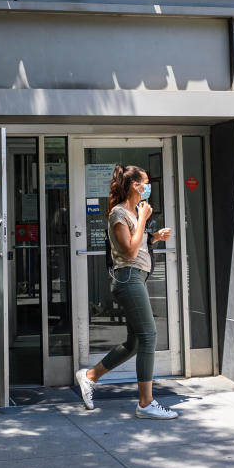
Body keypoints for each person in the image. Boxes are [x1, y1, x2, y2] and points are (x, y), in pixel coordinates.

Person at [75, 164, 178, 420]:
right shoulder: (118, 214)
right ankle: (146, 403)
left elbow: (138, 242)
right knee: (149, 335)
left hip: (137, 278)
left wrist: (154, 236)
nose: (148, 187)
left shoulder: (131, 212)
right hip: (128, 278)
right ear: (135, 185)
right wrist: (144, 219)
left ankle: (89, 377)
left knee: (134, 342)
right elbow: (129, 252)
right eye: (146, 182)